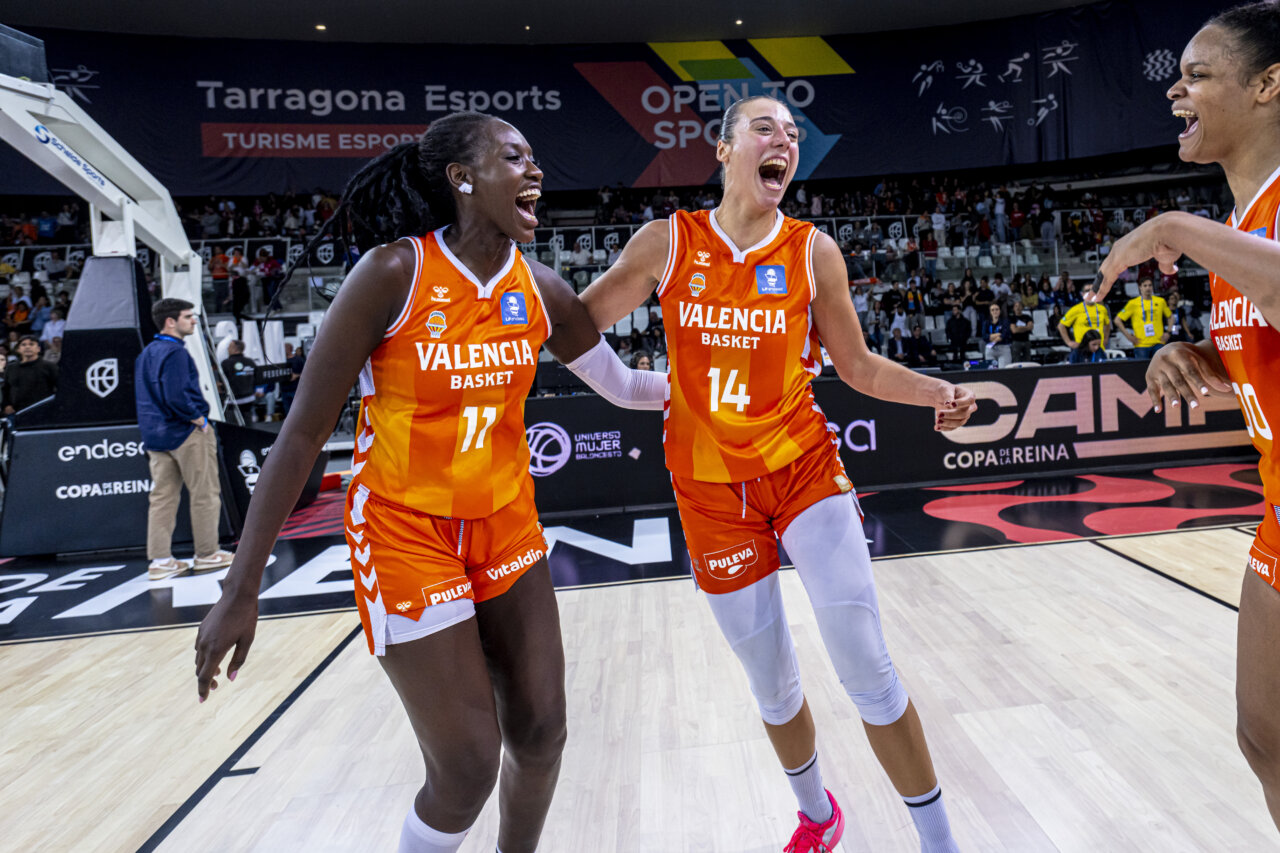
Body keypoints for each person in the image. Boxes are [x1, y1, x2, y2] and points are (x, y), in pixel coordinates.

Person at [192, 112, 666, 853]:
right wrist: (241, 587)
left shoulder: (540, 288)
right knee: (468, 765)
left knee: (542, 732)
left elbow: (625, 385)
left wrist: (723, 389)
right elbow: (302, 435)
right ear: (462, 178)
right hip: (405, 530)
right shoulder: (393, 273)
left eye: (534, 157)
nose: (535, 170)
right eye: (514, 157)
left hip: (505, 524)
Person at [581, 95, 973, 853]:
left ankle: (940, 843)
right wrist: (635, 387)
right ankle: (819, 817)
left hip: (802, 470)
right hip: (707, 491)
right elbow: (575, 326)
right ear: (724, 149)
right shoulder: (667, 242)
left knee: (865, 662)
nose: (784, 142)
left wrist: (935, 391)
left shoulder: (812, 251)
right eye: (765, 128)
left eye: (793, 135)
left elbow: (857, 366)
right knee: (772, 682)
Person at [1090, 2, 1280, 829]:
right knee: (1265, 738)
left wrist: (1171, 225)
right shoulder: (1239, 228)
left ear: (1268, 85)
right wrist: (1196, 357)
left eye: (1197, 75)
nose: (1175, 91)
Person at [134, 299, 235, 580]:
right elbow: (176, 395)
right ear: (170, 321)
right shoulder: (176, 352)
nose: (193, 321)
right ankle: (207, 554)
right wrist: (198, 418)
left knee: (162, 498)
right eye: (188, 316)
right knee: (204, 493)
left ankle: (161, 561)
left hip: (156, 435)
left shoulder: (147, 353)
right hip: (185, 433)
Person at [1115, 276, 1172, 359]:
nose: (1148, 288)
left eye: (1150, 285)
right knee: (1143, 367)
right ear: (1140, 287)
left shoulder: (1160, 301)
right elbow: (1117, 320)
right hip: (1141, 344)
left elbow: (1171, 317)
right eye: (1145, 285)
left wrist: (1168, 332)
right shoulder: (1133, 303)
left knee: (1159, 366)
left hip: (1158, 342)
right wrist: (1128, 336)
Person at [2, 334, 57, 414]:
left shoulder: (49, 366)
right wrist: (6, 405)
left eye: (31, 344)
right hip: (16, 412)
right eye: (23, 345)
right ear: (18, 349)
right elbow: (6, 389)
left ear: (38, 349)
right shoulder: (11, 368)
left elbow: (60, 388)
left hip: (43, 412)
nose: (27, 347)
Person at [220, 340, 263, 423]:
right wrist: (259, 390)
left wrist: (220, 387)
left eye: (229, 347)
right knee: (247, 422)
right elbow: (258, 378)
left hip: (233, 400)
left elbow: (222, 381)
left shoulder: (226, 363)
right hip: (249, 399)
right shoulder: (250, 362)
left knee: (233, 424)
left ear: (235, 349)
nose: (227, 349)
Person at [982, 302, 1012, 368]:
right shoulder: (986, 322)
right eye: (992, 310)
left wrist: (991, 336)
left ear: (1000, 311)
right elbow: (984, 336)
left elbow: (1004, 335)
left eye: (997, 309)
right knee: (991, 371)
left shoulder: (1005, 321)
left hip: (1003, 348)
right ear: (990, 312)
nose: (995, 311)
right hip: (990, 349)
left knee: (1003, 370)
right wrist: (997, 335)